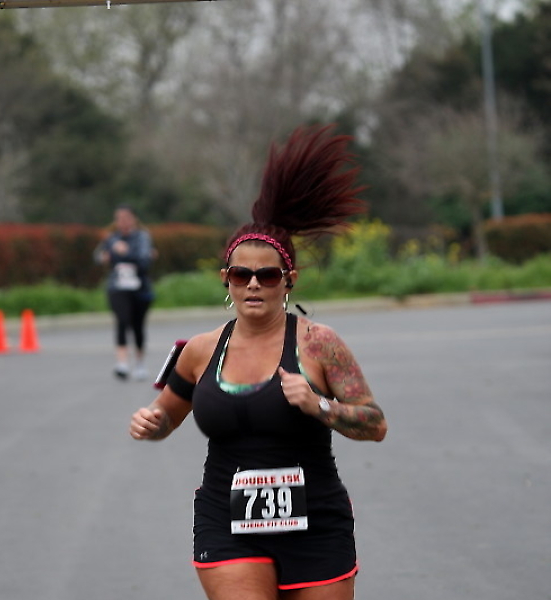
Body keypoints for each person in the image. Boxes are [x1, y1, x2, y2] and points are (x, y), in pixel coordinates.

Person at [130, 125, 387, 600]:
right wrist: (152, 423)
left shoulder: (319, 344)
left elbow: (375, 424)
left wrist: (320, 406)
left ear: (288, 280)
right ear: (225, 279)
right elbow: (167, 416)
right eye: (240, 274)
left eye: (267, 275)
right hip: (227, 521)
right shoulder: (199, 350)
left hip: (316, 521)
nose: (253, 284)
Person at [95, 204, 156, 380]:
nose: (122, 222)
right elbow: (98, 255)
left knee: (138, 325)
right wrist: (105, 256)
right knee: (122, 321)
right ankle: (122, 363)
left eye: (126, 218)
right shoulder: (112, 238)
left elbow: (144, 259)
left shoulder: (142, 237)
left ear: (133, 219)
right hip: (117, 287)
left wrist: (124, 252)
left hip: (139, 288)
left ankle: (139, 363)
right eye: (119, 219)